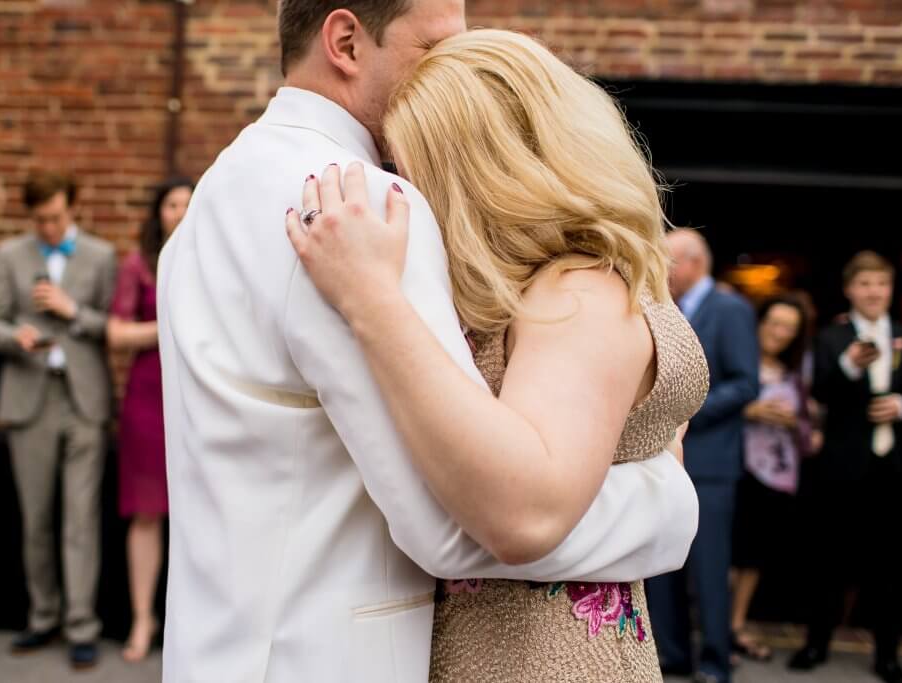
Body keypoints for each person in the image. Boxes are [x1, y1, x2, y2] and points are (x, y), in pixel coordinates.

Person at [157, 3, 700, 681]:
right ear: (346, 40)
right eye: (437, 44)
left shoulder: (213, 195)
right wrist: (666, 503)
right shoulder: (368, 209)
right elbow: (458, 525)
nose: (457, 63)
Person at [0, 171, 117, 671]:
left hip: (83, 402)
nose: (49, 227)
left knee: (81, 520)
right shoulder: (9, 255)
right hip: (28, 397)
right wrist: (12, 334)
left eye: (57, 217)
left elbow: (111, 327)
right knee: (36, 518)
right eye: (40, 219)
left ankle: (81, 625)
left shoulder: (102, 257)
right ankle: (42, 616)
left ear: (73, 207)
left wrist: (72, 310)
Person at [646, 229, 760, 683]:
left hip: (711, 461)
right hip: (661, 458)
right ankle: (672, 655)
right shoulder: (663, 308)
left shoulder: (730, 309)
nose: (662, 271)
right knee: (662, 563)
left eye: (667, 262)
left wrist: (683, 411)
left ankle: (714, 662)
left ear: (692, 262)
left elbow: (745, 383)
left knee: (710, 567)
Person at [789, 251, 902, 683]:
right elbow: (817, 389)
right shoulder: (830, 339)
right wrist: (847, 367)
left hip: (893, 470)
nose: (874, 291)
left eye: (881, 283)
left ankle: (887, 655)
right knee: (829, 560)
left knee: (891, 568)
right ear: (849, 290)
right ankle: (816, 644)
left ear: (890, 289)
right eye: (865, 284)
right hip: (841, 467)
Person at [107, 178, 193, 662]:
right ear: (158, 212)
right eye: (171, 204)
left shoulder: (213, 260)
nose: (180, 211)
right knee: (146, 514)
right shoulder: (138, 265)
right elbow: (116, 334)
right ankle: (143, 619)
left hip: (200, 395)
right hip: (146, 398)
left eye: (188, 203)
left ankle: (191, 623)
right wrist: (170, 323)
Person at [729, 294, 815, 663]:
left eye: (789, 328)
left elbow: (811, 431)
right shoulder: (736, 364)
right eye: (774, 323)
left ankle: (736, 624)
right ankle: (715, 626)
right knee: (724, 553)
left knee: (753, 557)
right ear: (759, 322)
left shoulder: (793, 377)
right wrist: (749, 410)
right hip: (734, 467)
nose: (779, 333)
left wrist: (794, 422)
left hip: (774, 476)